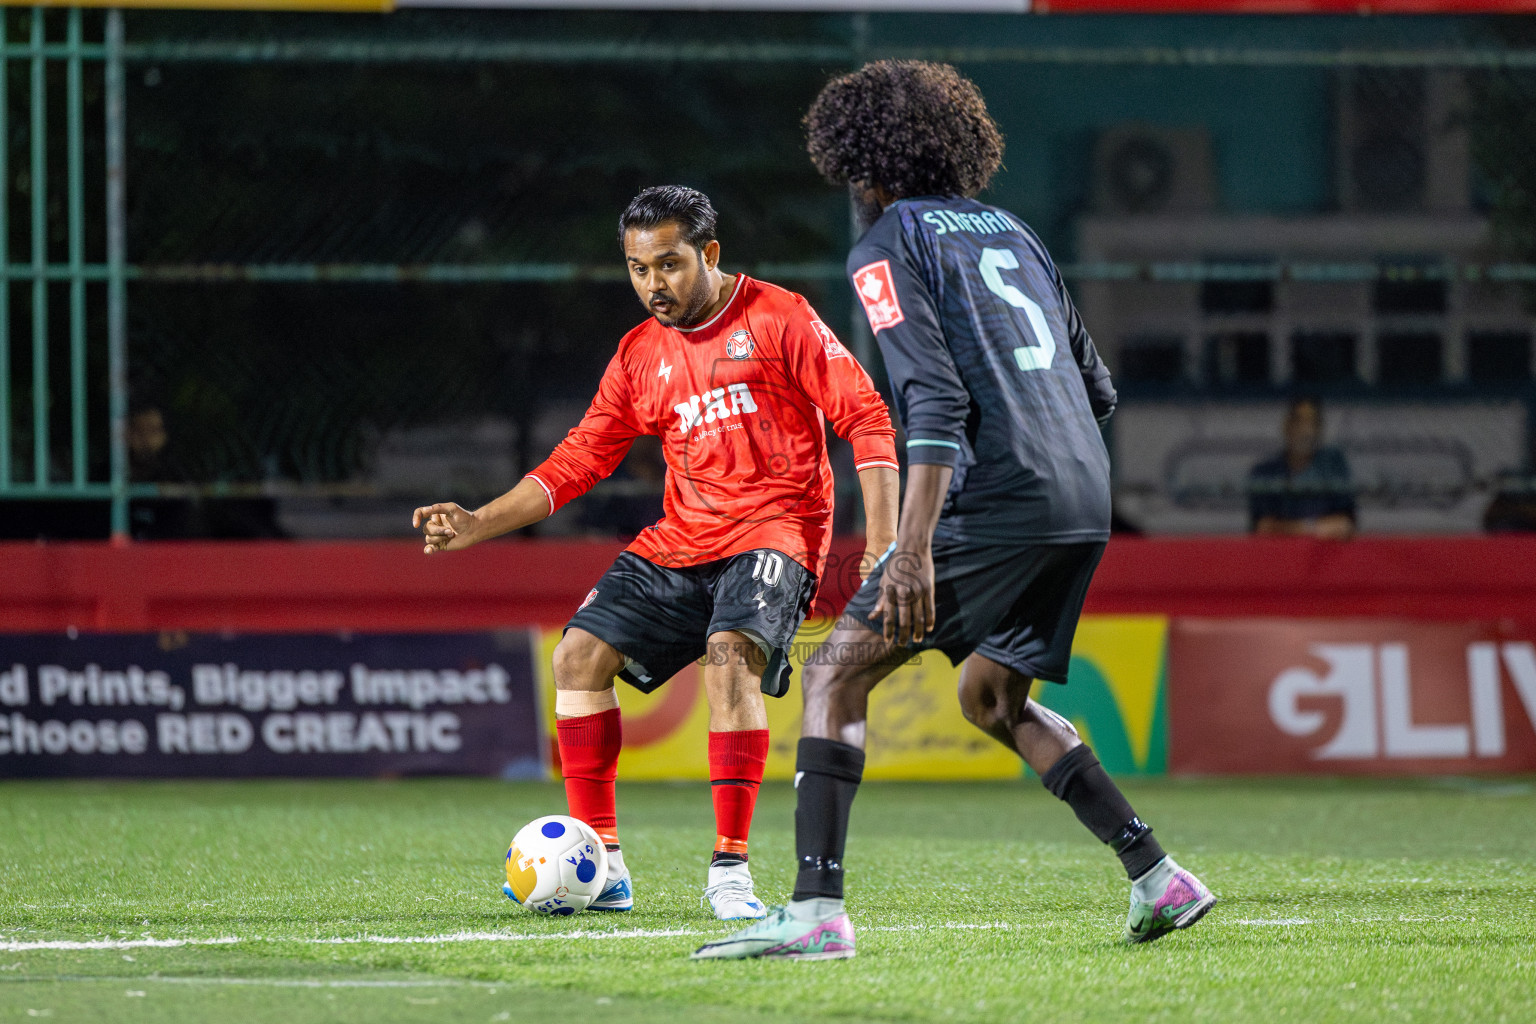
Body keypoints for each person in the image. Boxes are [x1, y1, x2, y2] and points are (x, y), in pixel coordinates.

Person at [694, 61, 1214, 961]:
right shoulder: (1016, 232)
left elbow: (932, 401)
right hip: (1083, 495)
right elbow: (1097, 388)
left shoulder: (885, 243)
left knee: (835, 674)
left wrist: (911, 547)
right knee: (990, 695)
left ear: (862, 165)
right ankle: (1157, 876)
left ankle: (815, 911)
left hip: (1001, 497)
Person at [414, 185, 899, 921]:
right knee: (576, 659)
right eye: (638, 269)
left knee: (729, 658)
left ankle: (730, 871)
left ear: (710, 252)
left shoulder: (779, 317)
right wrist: (478, 523)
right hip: (683, 537)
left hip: (777, 530)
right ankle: (605, 866)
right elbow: (578, 459)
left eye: (669, 264)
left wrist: (886, 541)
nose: (653, 285)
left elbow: (866, 417)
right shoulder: (640, 353)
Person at [1248, 396, 1355, 539]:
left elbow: (1344, 524)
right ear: (1286, 425)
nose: (1306, 430)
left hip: (1324, 553)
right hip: (1280, 552)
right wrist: (1313, 528)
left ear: (1320, 429)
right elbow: (1264, 527)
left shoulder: (1334, 467)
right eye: (1299, 421)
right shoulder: (1265, 472)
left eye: (1313, 423)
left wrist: (1290, 528)